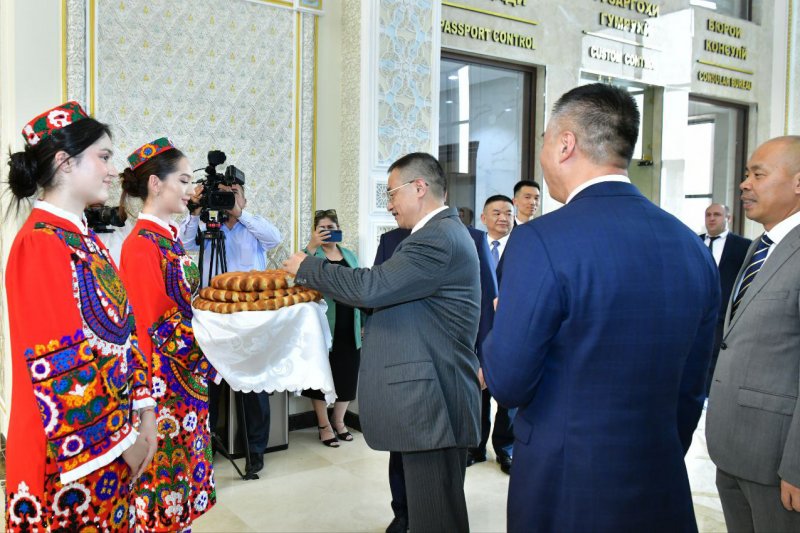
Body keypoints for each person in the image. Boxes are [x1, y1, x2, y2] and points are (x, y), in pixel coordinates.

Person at [482, 83, 719, 532]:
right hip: (660, 480)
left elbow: (508, 382)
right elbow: (692, 387)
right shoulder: (691, 246)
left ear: (565, 144)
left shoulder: (539, 241)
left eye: (545, 140)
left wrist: (500, 316)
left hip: (565, 488)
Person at [283, 152, 481, 532]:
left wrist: (308, 267)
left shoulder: (437, 238)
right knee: (428, 512)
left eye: (391, 194)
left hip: (435, 403)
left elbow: (372, 287)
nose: (389, 205)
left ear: (419, 187)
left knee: (436, 518)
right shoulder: (432, 235)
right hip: (430, 400)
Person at [4, 102, 156, 531]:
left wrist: (144, 410)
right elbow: (60, 365)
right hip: (68, 456)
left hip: (112, 441)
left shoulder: (85, 239)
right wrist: (124, 442)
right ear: (65, 162)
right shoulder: (40, 243)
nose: (112, 171)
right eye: (103, 157)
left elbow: (125, 330)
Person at [119, 137, 218, 531]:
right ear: (155, 184)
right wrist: (218, 352)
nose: (191, 190)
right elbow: (155, 326)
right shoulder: (142, 245)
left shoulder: (168, 237)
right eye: (183, 180)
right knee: (162, 493)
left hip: (185, 379)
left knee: (181, 490)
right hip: (163, 387)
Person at [377, 220, 497, 533]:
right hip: (405, 366)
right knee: (401, 449)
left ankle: (440, 513)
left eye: (394, 196)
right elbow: (374, 295)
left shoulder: (471, 238)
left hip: (451, 366)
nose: (391, 204)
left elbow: (486, 303)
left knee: (445, 457)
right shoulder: (391, 240)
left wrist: (486, 359)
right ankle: (403, 513)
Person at [706, 135, 800, 532]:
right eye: (746, 174)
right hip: (734, 449)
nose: (744, 184)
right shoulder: (762, 245)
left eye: (758, 175)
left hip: (777, 463)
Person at [179, 174, 281, 474]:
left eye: (234, 192)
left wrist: (238, 212)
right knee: (210, 384)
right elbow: (182, 242)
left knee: (252, 385)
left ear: (244, 199)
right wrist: (196, 211)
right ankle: (206, 446)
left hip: (250, 316)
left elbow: (275, 239)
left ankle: (255, 450)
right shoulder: (207, 226)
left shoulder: (254, 227)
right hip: (213, 315)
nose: (227, 198)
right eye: (222, 194)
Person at [301, 209, 362, 447]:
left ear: (339, 230)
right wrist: (311, 246)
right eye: (322, 228)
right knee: (320, 376)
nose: (327, 232)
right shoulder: (310, 254)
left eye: (331, 228)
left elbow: (361, 285)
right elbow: (296, 279)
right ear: (315, 232)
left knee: (348, 375)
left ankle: (339, 421)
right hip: (323, 325)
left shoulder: (350, 255)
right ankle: (324, 425)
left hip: (350, 323)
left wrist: (364, 323)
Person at [472, 194, 516, 473]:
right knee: (477, 392)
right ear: (483, 217)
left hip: (511, 333)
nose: (503, 218)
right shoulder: (473, 246)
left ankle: (506, 449)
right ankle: (475, 447)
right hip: (478, 331)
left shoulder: (524, 246)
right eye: (497, 213)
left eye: (508, 213)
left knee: (508, 396)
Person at [699, 203, 750, 397]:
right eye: (708, 215)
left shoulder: (743, 246)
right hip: (696, 313)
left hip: (723, 313)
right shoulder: (694, 241)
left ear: (728, 218)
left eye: (717, 215)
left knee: (716, 359)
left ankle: (712, 398)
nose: (711, 218)